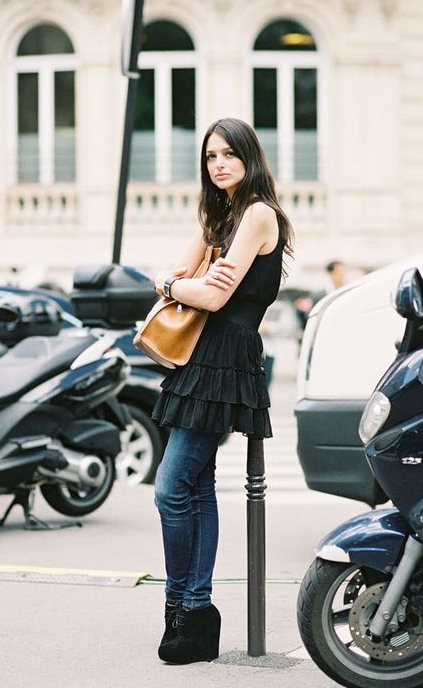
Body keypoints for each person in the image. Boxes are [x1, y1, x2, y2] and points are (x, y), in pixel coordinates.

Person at [151, 117, 294, 665]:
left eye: (229, 154)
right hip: (199, 360)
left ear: (249, 157)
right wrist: (173, 281)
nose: (219, 164)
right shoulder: (218, 215)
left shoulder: (258, 213)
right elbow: (181, 274)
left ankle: (190, 604)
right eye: (211, 156)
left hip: (225, 359)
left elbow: (210, 298)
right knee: (196, 486)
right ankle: (189, 610)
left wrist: (171, 284)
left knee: (171, 487)